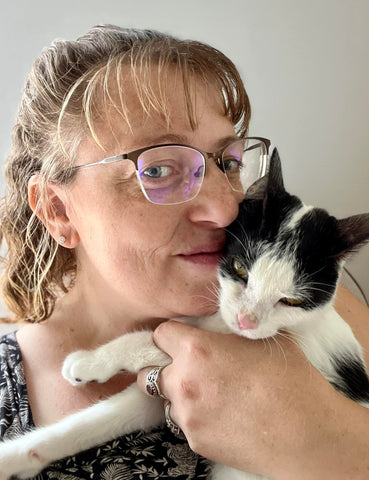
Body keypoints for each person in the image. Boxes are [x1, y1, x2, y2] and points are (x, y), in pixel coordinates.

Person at [0, 24, 368, 480]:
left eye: (228, 163)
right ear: (58, 210)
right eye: (157, 168)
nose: (223, 207)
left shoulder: (322, 315)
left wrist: (345, 445)